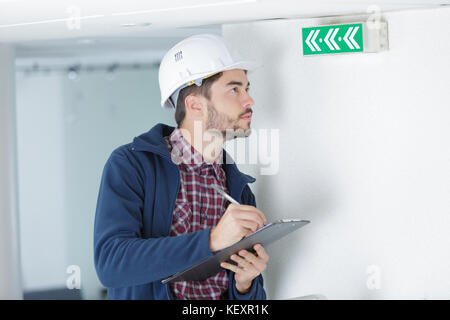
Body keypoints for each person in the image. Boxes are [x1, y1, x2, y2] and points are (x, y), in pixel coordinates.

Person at [94, 33, 269, 300]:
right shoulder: (131, 165)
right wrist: (212, 240)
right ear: (195, 104)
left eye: (247, 88)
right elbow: (111, 264)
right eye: (235, 89)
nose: (249, 101)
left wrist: (245, 284)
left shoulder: (237, 187)